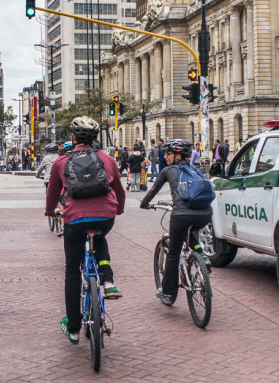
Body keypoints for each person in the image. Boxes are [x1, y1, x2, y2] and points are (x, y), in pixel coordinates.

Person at [45, 116, 126, 344]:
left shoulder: (61, 162)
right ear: (95, 139)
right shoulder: (108, 160)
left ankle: (73, 329)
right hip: (104, 217)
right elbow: (119, 190)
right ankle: (108, 282)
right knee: (99, 236)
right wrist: (117, 210)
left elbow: (52, 192)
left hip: (74, 219)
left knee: (72, 269)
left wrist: (50, 211)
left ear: (72, 138)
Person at [140, 138, 214, 306]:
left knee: (173, 253)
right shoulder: (196, 170)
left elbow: (153, 191)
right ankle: (201, 255)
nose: (165, 156)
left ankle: (168, 293)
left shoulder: (168, 171)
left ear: (178, 156)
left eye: (169, 153)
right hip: (205, 215)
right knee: (190, 232)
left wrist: (144, 204)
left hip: (181, 215)